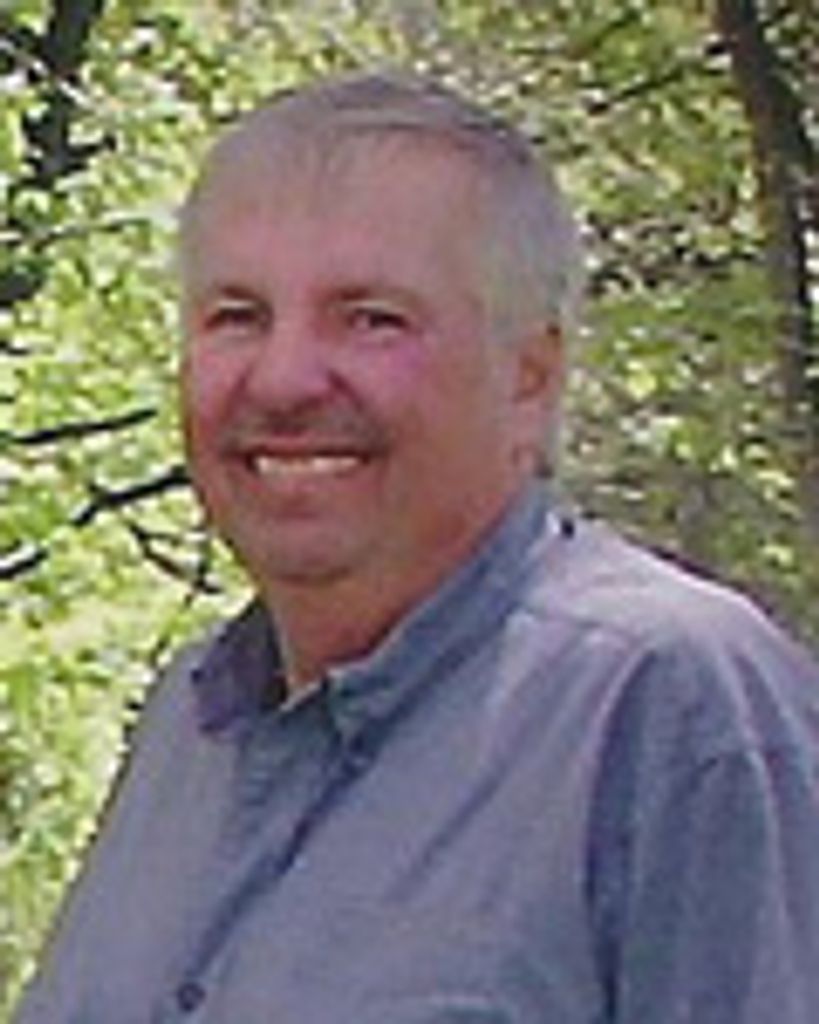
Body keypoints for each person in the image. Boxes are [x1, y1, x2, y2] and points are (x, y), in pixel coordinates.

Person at [15, 72, 819, 1024]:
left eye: (371, 319)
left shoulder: (670, 709)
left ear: (529, 376)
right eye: (237, 316)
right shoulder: (191, 724)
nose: (282, 380)